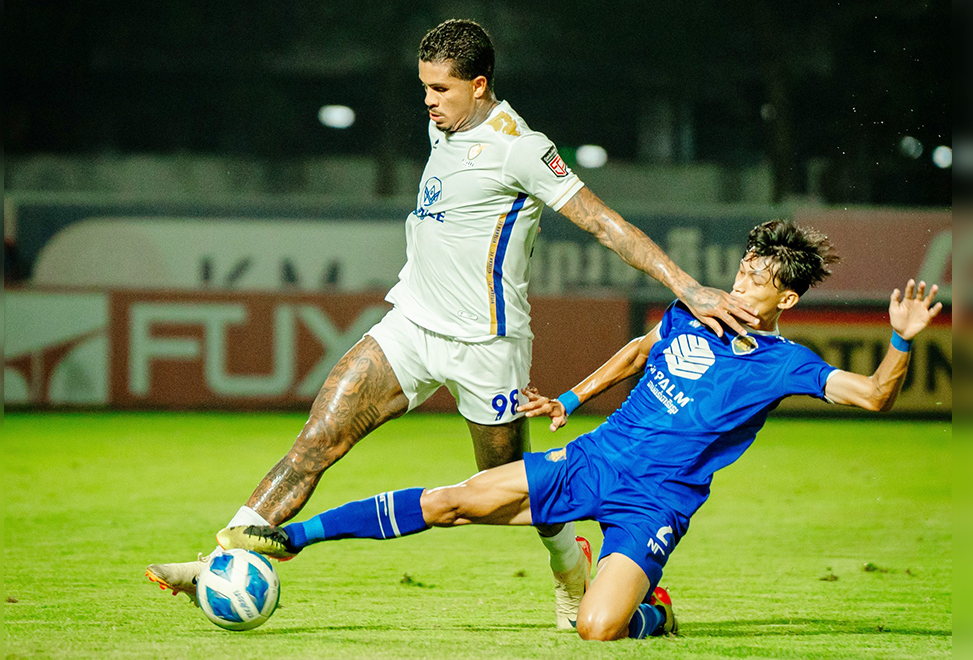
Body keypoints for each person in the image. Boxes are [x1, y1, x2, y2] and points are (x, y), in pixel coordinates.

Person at [146, 18, 757, 628]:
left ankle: (571, 562)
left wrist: (687, 286)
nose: (429, 102)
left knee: (506, 485)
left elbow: (602, 221)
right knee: (317, 437)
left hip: (487, 347)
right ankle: (218, 561)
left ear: (480, 85)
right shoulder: (445, 123)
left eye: (440, 90)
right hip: (410, 325)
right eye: (424, 89)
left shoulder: (522, 147)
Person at [216, 220, 942, 640]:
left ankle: (651, 612)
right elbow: (638, 352)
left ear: (784, 295)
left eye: (758, 278)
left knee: (597, 630)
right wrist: (571, 396)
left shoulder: (788, 363)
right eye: (744, 267)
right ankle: (293, 539)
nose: (743, 280)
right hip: (595, 457)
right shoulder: (697, 311)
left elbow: (875, 397)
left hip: (657, 500)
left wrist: (903, 341)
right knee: (456, 499)